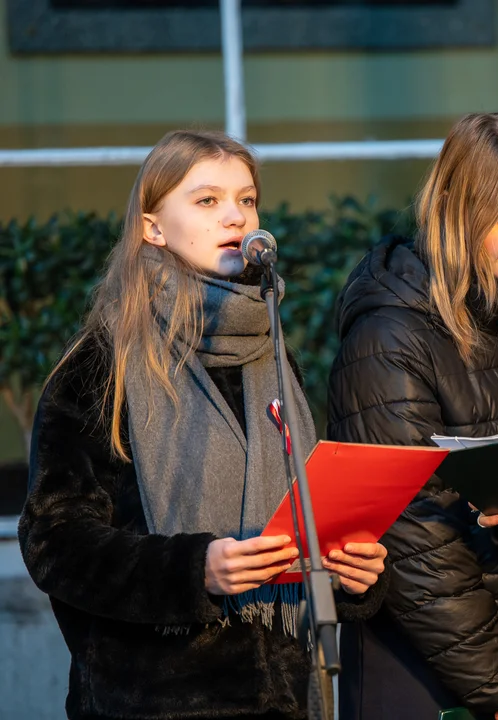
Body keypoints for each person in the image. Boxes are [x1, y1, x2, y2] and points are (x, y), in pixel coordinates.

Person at [19, 129, 387, 720]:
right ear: (152, 228)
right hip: (152, 701)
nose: (235, 217)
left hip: (287, 697)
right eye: (207, 200)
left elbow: (298, 521)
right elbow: (53, 543)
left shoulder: (270, 347)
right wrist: (195, 570)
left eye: (246, 199)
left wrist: (350, 572)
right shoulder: (100, 364)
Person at [328, 112, 498, 720]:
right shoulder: (390, 333)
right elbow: (411, 528)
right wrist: (496, 685)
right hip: (422, 657)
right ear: (455, 209)